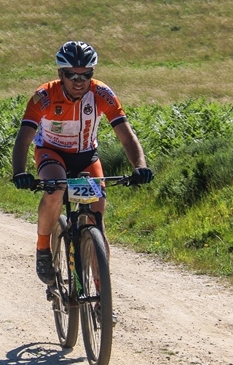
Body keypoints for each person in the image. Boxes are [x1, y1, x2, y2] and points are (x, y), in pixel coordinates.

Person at [11, 40, 153, 286]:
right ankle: (43, 248)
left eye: (86, 75)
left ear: (92, 74)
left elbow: (126, 136)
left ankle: (101, 297)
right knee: (56, 190)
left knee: (97, 221)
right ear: (60, 74)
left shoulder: (102, 94)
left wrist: (140, 166)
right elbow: (23, 139)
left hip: (86, 156)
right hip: (51, 153)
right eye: (71, 75)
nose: (79, 81)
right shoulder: (43, 97)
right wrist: (19, 173)